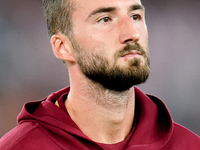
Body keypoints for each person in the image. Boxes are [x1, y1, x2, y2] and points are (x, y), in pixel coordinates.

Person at [0, 0, 200, 149]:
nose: (132, 33)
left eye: (135, 16)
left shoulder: (189, 145)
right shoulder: (21, 147)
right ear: (63, 47)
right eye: (105, 19)